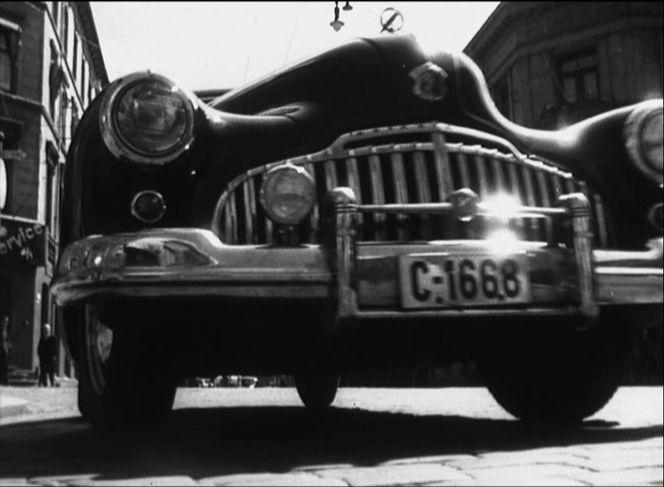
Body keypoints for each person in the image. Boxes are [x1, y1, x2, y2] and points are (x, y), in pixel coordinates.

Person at [0, 316, 10, 385]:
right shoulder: (1, 331)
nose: (6, 323)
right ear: (2, 322)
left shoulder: (6, 331)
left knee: (5, 367)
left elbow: (7, 341)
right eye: (5, 322)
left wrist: (8, 346)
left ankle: (5, 382)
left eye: (7, 322)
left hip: (5, 351)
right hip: (1, 351)